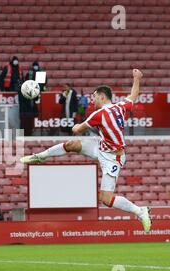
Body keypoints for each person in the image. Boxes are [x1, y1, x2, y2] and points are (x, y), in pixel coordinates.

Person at [20, 69, 152, 233]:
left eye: (95, 96)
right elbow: (133, 95)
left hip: (113, 158)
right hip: (101, 146)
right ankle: (40, 156)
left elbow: (77, 129)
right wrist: (137, 78)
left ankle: (140, 211)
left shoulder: (99, 114)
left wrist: (75, 125)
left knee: (106, 199)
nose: (93, 99)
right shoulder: (121, 106)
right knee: (72, 145)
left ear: (102, 96)